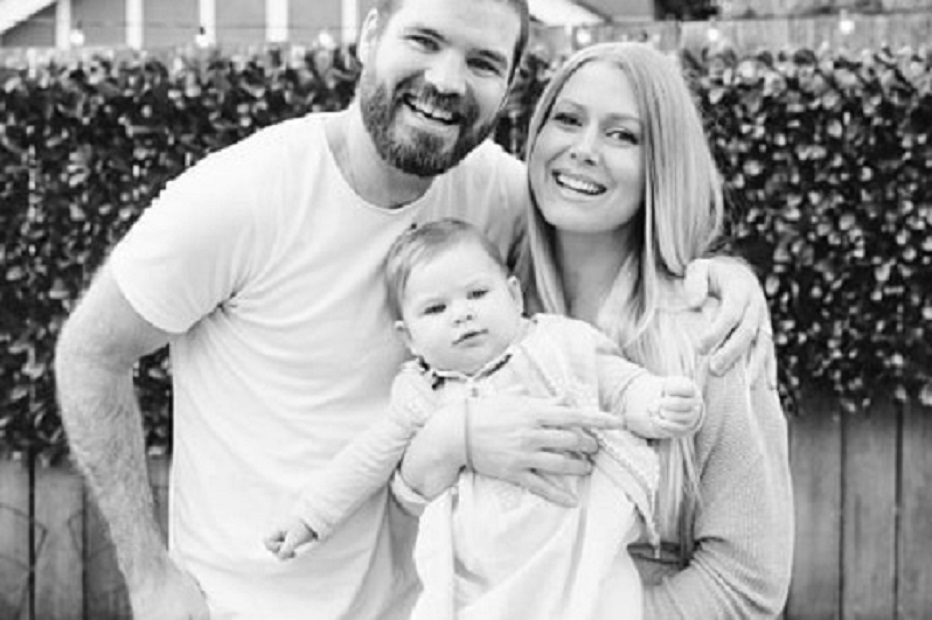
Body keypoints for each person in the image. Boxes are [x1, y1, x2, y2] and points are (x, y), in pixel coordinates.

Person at [53, 0, 772, 616]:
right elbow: (91, 352)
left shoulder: (495, 195)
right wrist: (150, 577)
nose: (446, 81)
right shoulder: (245, 194)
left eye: (483, 62)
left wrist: (718, 274)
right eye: (424, 40)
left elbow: (613, 218)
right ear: (371, 34)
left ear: (507, 87)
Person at [396, 42, 794, 618]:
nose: (584, 150)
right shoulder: (480, 308)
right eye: (568, 119)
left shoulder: (711, 335)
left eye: (623, 135)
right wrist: (449, 439)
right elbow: (412, 501)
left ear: (663, 164)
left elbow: (747, 583)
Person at [264, 218, 704, 619]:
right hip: (481, 577)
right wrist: (310, 516)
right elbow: (366, 457)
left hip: (575, 545)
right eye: (435, 309)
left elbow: (619, 386)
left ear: (513, 295)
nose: (462, 314)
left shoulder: (558, 345)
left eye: (477, 294)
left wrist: (658, 403)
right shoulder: (423, 393)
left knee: (606, 602)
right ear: (409, 338)